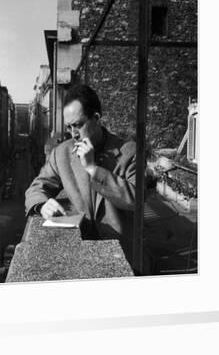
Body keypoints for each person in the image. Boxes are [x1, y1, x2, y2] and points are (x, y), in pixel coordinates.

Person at [25, 84, 139, 261]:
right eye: (68, 127)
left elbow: (135, 200)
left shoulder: (129, 151)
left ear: (96, 118)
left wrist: (92, 168)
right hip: (80, 254)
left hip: (122, 255)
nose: (73, 134)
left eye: (77, 125)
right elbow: (36, 188)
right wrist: (42, 205)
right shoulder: (62, 153)